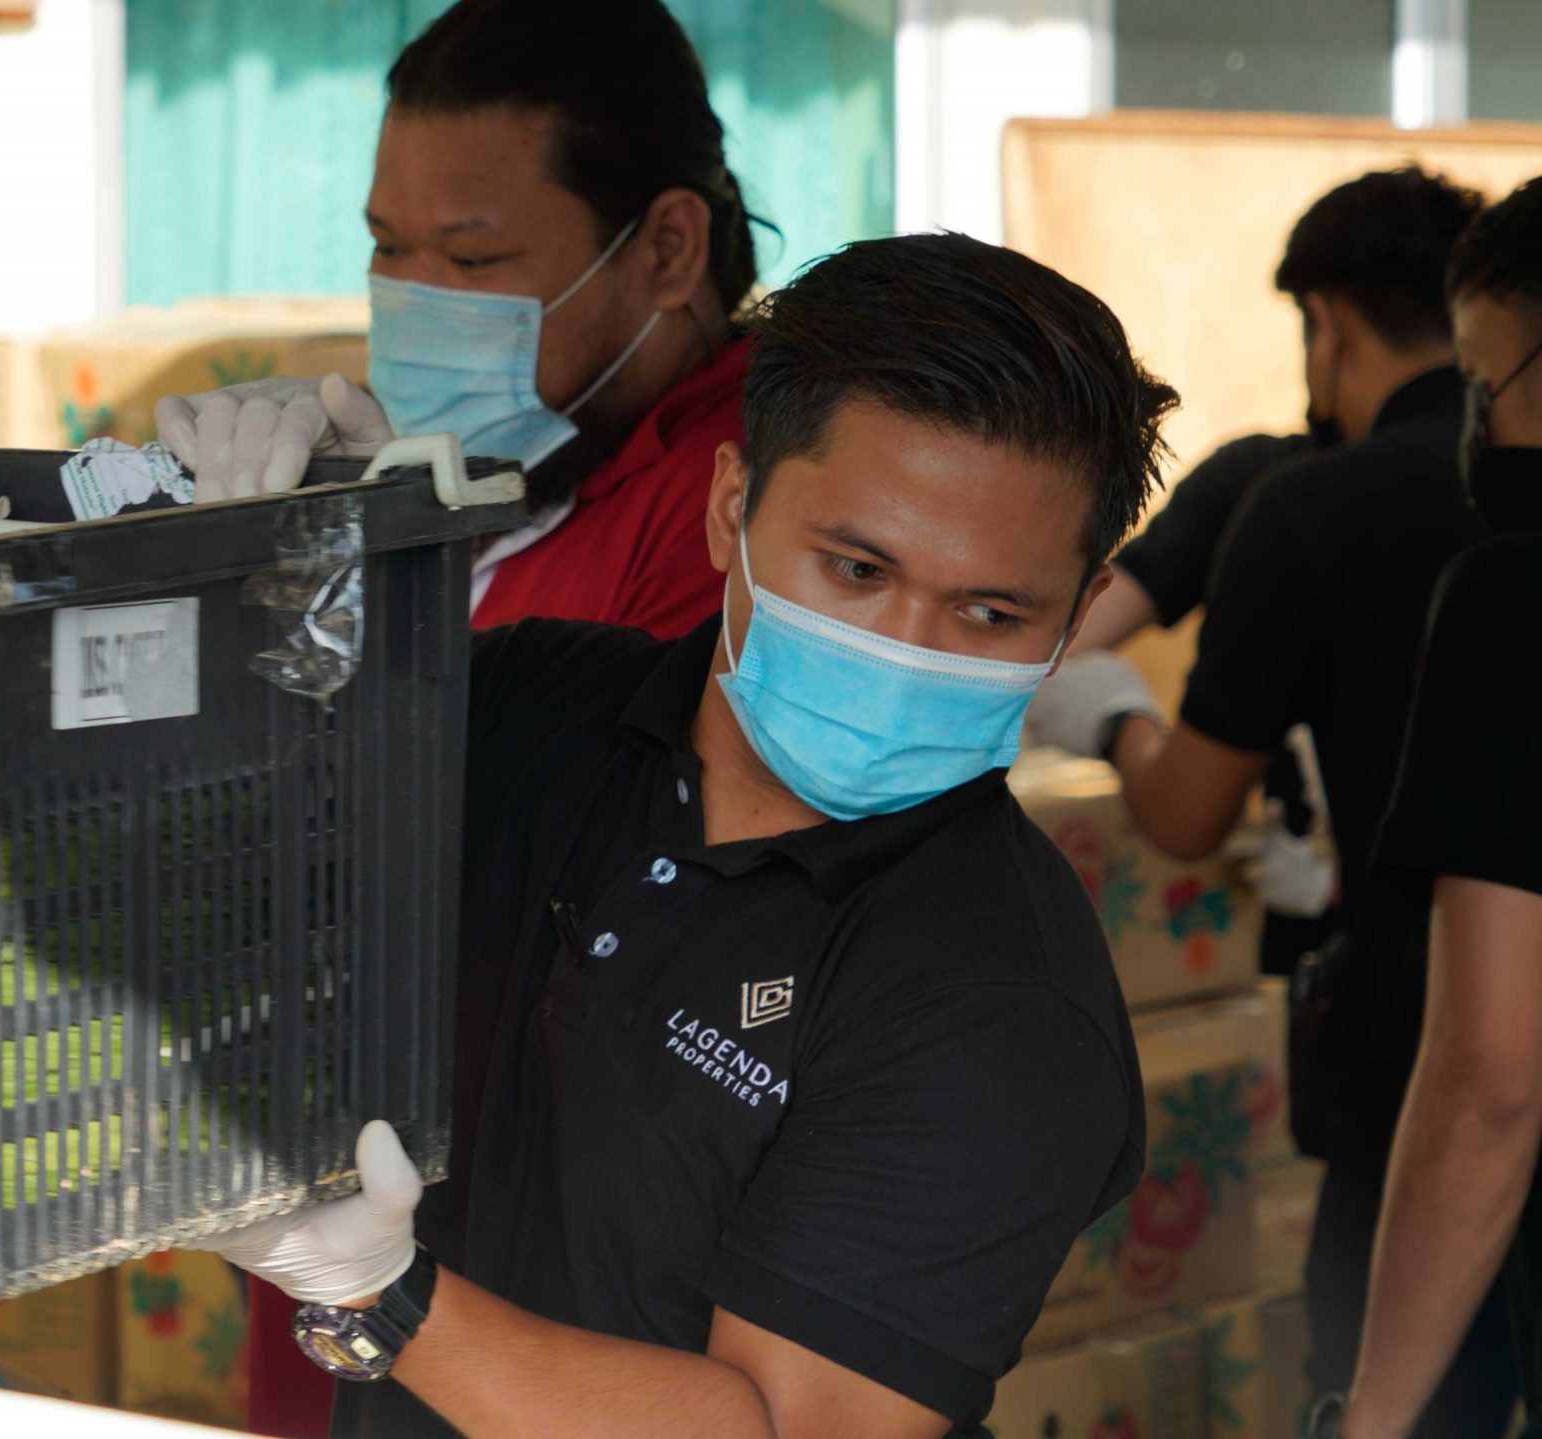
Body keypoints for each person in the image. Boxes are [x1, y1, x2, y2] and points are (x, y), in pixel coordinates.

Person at [188, 231, 1168, 1439]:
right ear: (729, 507)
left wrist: (373, 1294)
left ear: (1071, 622)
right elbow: (202, 853)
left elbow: (782, 1427)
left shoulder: (998, 996)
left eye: (987, 610)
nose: (906, 642)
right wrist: (259, 572)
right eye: (857, 566)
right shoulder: (532, 702)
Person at [1024, 165, 1515, 1432]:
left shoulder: (1302, 503)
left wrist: (1122, 721)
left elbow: (1184, 806)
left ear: (1327, 324)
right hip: (1450, 1052)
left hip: (1422, 1063)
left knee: (1407, 1385)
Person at [153, 0, 761, 640]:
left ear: (668, 249)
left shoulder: (740, 505)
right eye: (387, 247)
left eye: (472, 258)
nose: (414, 305)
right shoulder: (545, 461)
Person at [1314, 176, 1542, 1439]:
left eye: (1485, 377)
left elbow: (1489, 1080)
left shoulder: (1513, 603)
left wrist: (1373, 1418)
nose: (1478, 421)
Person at [1062, 430, 1340, 974]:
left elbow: (1185, 819)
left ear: (1334, 345)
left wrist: (1119, 725)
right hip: (1289, 922)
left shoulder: (1280, 494)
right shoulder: (1257, 480)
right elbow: (1070, 639)